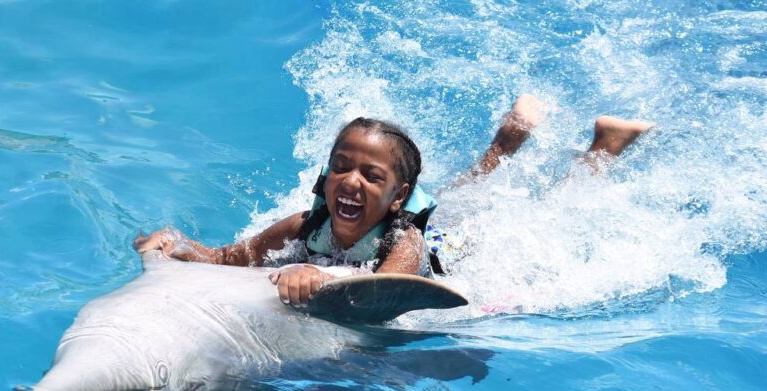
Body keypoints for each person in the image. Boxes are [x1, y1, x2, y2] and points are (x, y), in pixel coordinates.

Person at [134, 95, 653, 306]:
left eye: (370, 175)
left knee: (538, 213)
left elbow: (391, 290)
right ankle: (510, 136)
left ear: (397, 195)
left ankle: (603, 147)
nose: (351, 182)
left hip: (455, 248)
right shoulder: (301, 226)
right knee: (472, 187)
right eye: (340, 167)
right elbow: (229, 258)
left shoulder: (403, 238)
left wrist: (320, 279)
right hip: (420, 221)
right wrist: (176, 245)